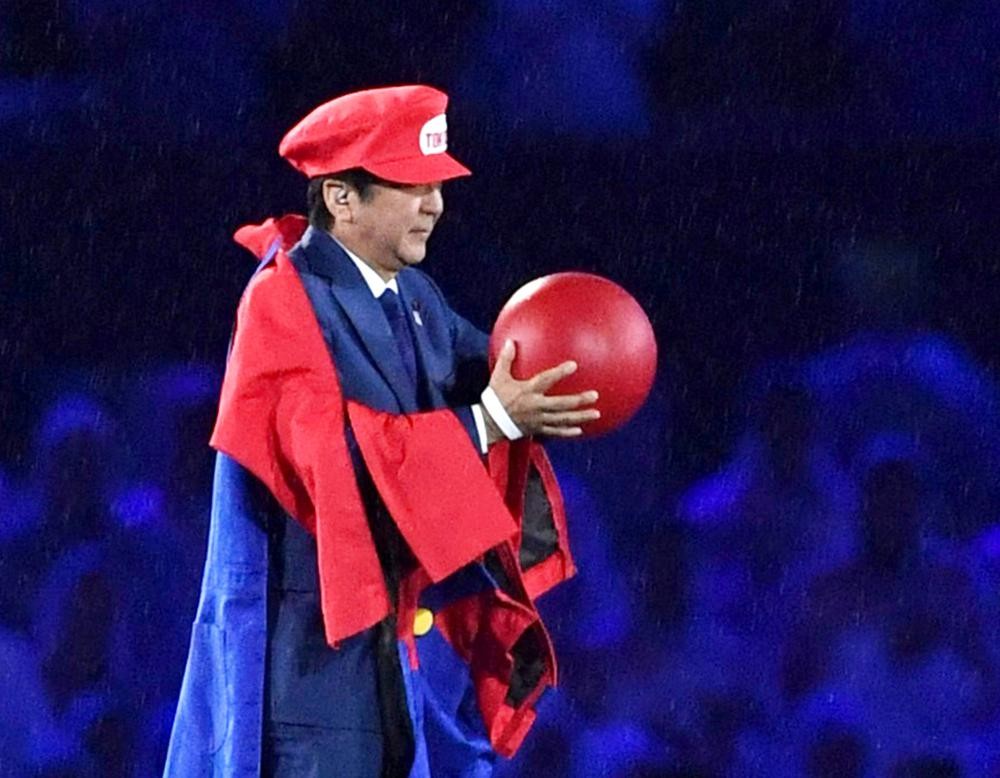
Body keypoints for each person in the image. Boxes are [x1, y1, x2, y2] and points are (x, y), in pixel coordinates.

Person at [164, 85, 599, 777]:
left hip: (390, 662)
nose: (436, 204)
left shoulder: (415, 298)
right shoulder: (282, 303)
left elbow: (498, 375)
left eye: (438, 185)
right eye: (413, 185)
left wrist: (572, 373)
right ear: (341, 198)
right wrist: (490, 420)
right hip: (306, 676)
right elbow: (333, 463)